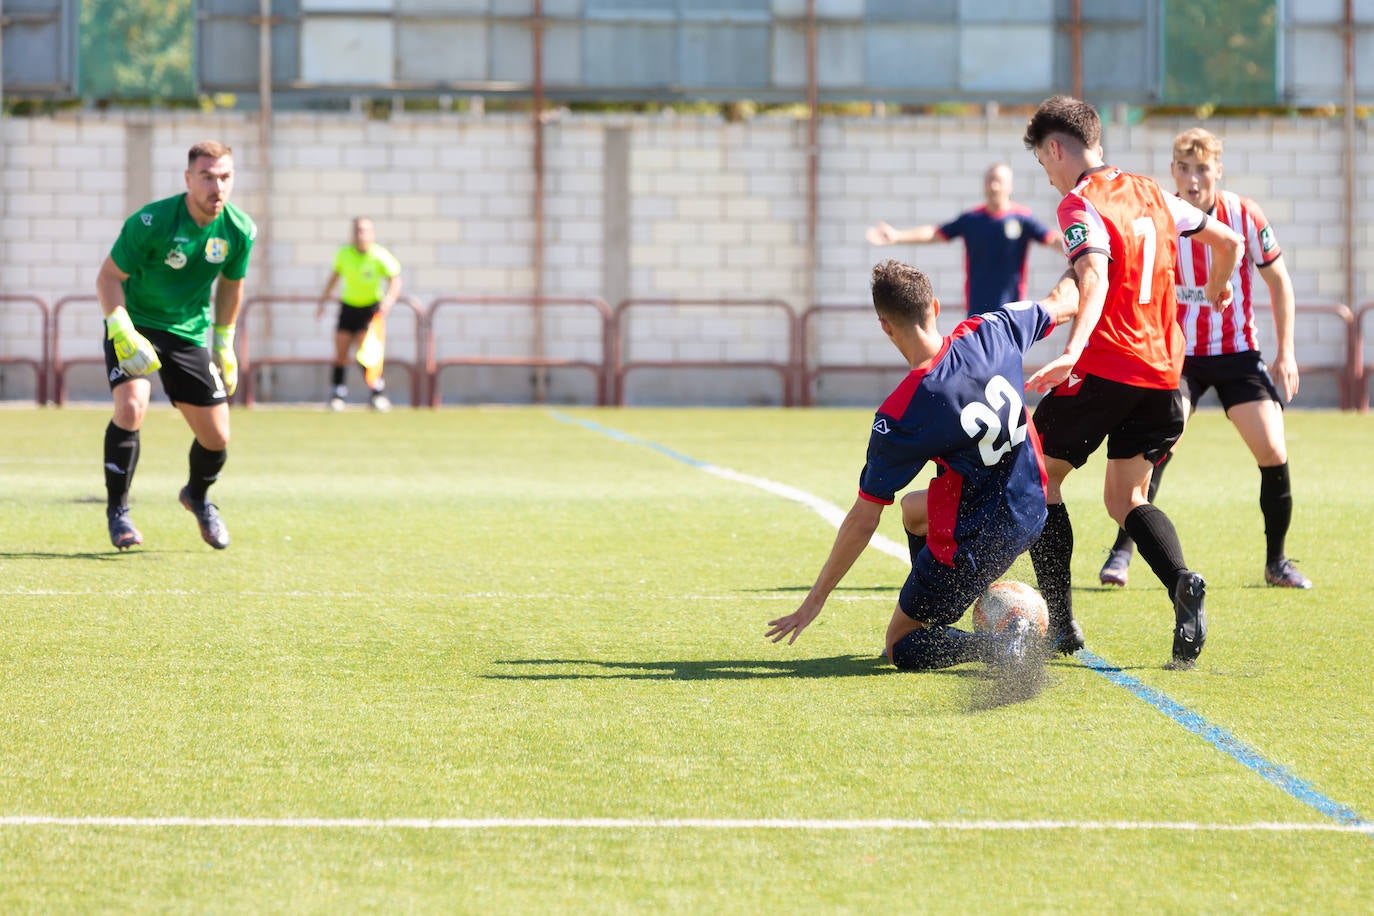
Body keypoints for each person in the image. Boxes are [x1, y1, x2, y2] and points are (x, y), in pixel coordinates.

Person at [765, 259, 1078, 675]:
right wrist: (1086, 260)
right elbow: (1066, 300)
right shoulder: (992, 328)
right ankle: (939, 606)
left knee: (900, 646)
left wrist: (816, 597)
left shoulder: (902, 412)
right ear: (934, 306)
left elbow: (864, 517)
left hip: (982, 533)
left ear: (885, 326)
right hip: (1034, 504)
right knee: (914, 512)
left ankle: (998, 644)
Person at [1021, 96, 1245, 669]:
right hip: (1166, 376)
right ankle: (1182, 583)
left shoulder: (1078, 203)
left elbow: (1092, 274)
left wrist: (1071, 351)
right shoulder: (1153, 193)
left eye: (1043, 163)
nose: (1046, 176)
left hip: (1106, 368)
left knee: (1038, 478)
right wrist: (1220, 287)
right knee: (1127, 499)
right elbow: (1230, 243)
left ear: (1056, 148)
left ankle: (1061, 622)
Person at [1098, 127, 1312, 591]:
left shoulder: (1245, 214)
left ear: (1218, 170)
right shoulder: (1161, 212)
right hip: (1179, 357)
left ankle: (1277, 562)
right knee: (1158, 450)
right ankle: (1121, 553)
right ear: (1173, 170)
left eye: (1202, 169)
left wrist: (1286, 352)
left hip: (1237, 354)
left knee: (1273, 450)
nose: (1193, 179)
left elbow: (1279, 282)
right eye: (1184, 168)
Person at [97, 140, 257, 551]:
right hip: (133, 325)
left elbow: (231, 285)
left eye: (224, 177)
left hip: (186, 335)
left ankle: (197, 497)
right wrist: (122, 330)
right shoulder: (151, 222)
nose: (216, 187)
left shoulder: (239, 230)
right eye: (206, 177)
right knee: (132, 406)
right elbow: (108, 278)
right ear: (189, 179)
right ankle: (119, 513)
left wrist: (224, 341)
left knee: (217, 437)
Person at [866, 163, 1062, 315]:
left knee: (1008, 365)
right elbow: (935, 234)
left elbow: (1051, 239)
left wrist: (1081, 248)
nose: (994, 186)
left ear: (1010, 186)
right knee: (978, 366)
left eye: (999, 181)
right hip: (976, 309)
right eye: (990, 180)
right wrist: (897, 236)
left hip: (1012, 310)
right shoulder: (971, 220)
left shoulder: (1022, 218)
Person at [315, 217, 402, 411]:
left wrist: (389, 300)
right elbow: (334, 278)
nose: (360, 235)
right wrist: (323, 302)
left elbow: (395, 280)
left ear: (372, 234)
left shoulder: (379, 255)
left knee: (366, 354)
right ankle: (338, 393)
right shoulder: (344, 254)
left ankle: (377, 392)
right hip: (348, 307)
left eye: (364, 231)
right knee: (341, 352)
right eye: (357, 231)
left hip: (370, 310)